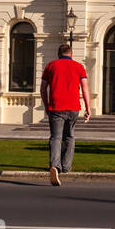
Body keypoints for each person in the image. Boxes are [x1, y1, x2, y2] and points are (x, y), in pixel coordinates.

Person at [40, 43, 90, 186]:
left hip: (56, 107)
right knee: (70, 136)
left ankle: (55, 166)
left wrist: (46, 105)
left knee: (56, 137)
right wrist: (88, 108)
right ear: (71, 54)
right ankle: (66, 166)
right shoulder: (79, 67)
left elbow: (43, 88)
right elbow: (85, 88)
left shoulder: (51, 66)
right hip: (74, 107)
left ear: (58, 54)